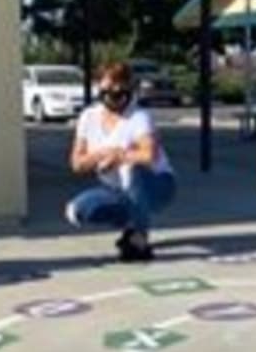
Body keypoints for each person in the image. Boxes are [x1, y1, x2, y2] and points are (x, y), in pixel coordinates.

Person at [66, 61, 176, 262]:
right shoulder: (88, 117)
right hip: (117, 189)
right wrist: (102, 154)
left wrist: (119, 156)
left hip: (156, 184)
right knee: (77, 211)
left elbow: (148, 155)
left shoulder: (139, 116)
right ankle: (131, 221)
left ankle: (139, 238)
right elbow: (77, 163)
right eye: (107, 89)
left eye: (119, 90)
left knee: (132, 168)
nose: (113, 95)